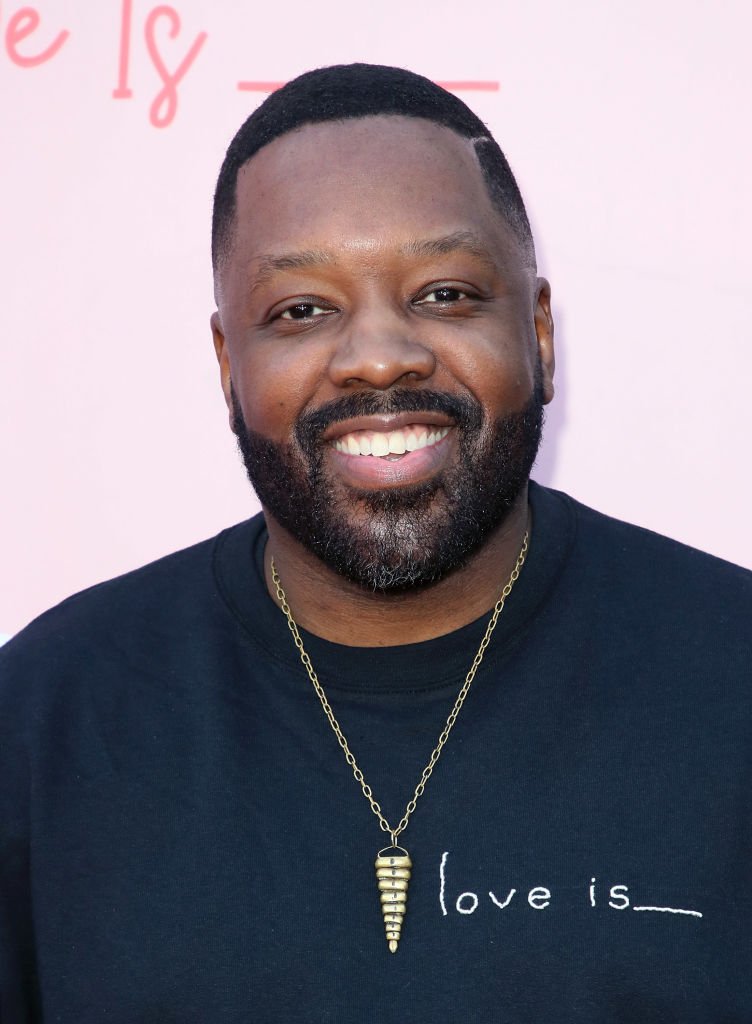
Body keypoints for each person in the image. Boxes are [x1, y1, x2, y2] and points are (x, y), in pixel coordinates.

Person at [1, 63, 750, 1023]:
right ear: (230, 365)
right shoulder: (45, 726)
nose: (379, 356)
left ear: (541, 334)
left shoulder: (733, 677)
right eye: (301, 310)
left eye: (443, 292)